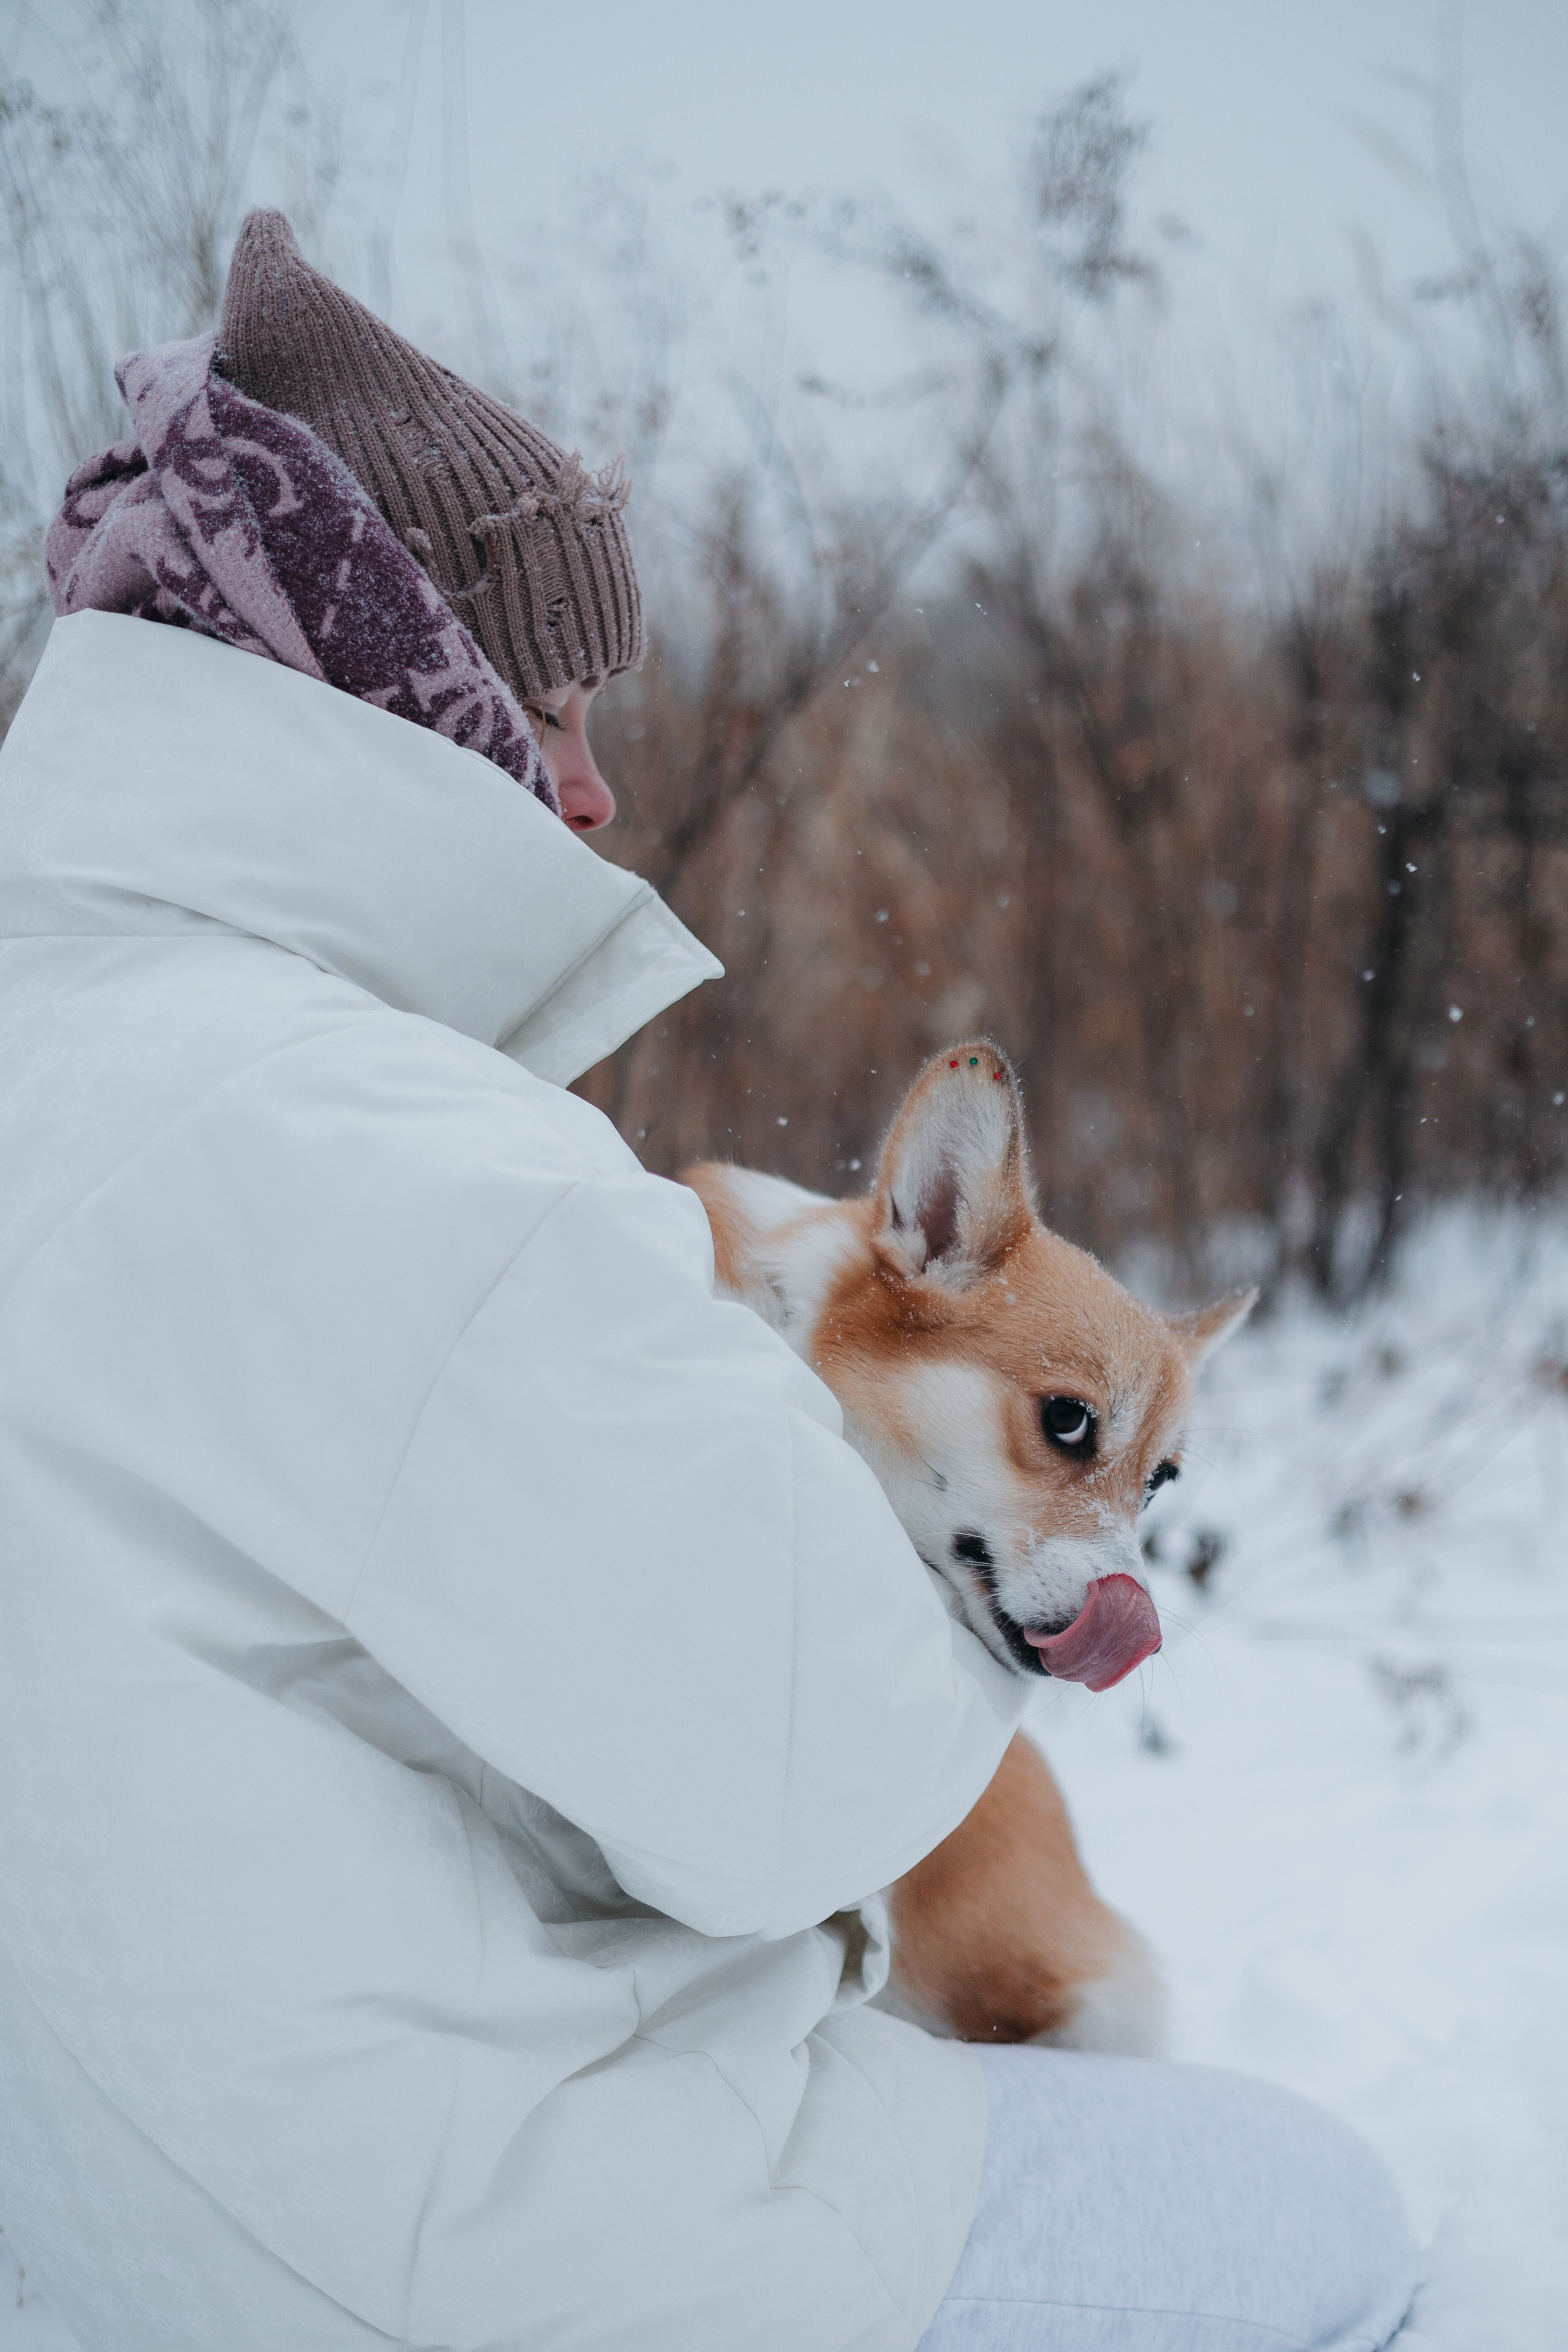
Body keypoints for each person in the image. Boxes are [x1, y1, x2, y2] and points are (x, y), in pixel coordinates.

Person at [0, 211, 1419, 2352]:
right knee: (1336, 2215)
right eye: (549, 707)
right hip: (442, 2242)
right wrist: (989, 1597)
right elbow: (785, 1782)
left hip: (82, 2218)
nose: (594, 788)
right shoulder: (403, 1146)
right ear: (386, 683)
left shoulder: (70, 1033)